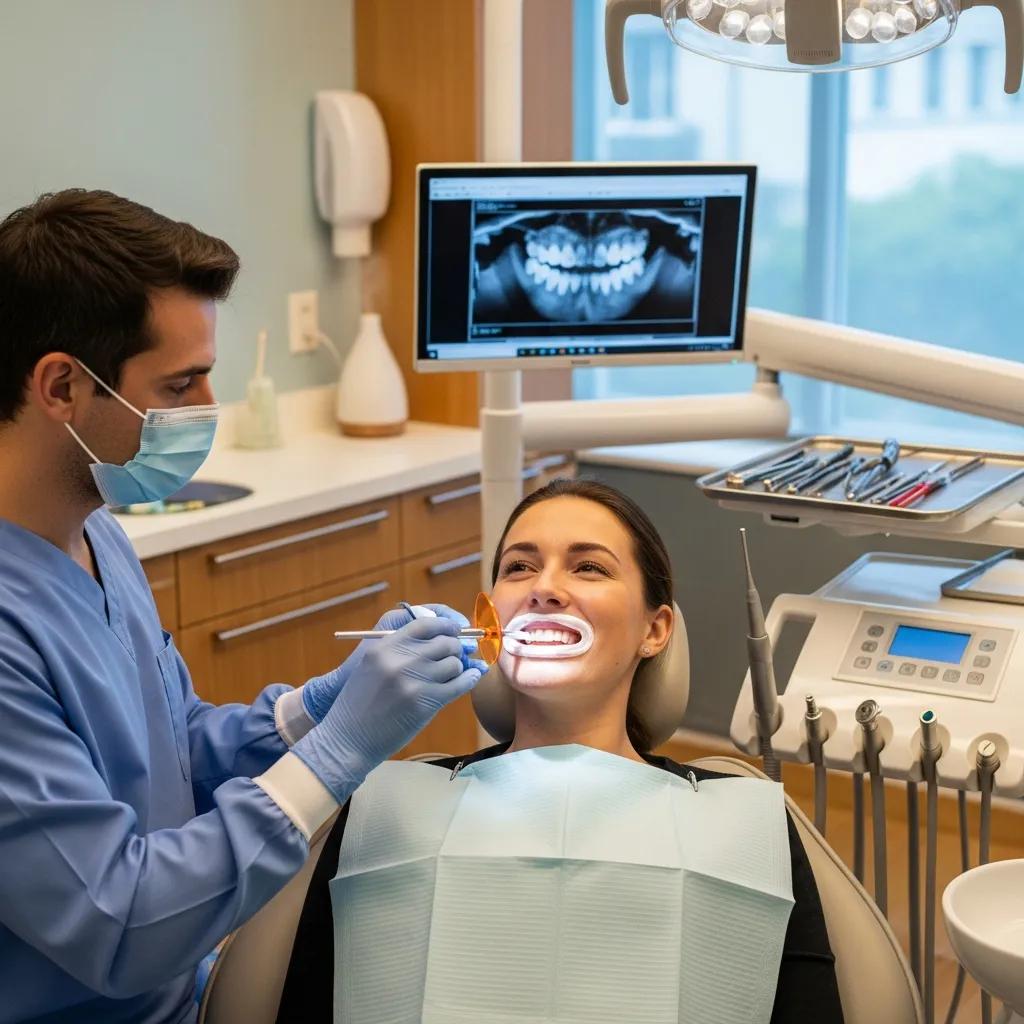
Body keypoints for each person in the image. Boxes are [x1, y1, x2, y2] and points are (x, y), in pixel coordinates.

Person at [0, 189, 482, 1024]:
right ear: (62, 386)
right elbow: (118, 923)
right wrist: (333, 756)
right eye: (180, 382)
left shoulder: (96, 532)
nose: (206, 409)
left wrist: (306, 714)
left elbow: (166, 750)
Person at [276, 477, 845, 1023]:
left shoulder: (745, 825)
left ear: (655, 631)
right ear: (490, 620)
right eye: (518, 567)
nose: (543, 588)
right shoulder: (386, 808)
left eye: (589, 567)